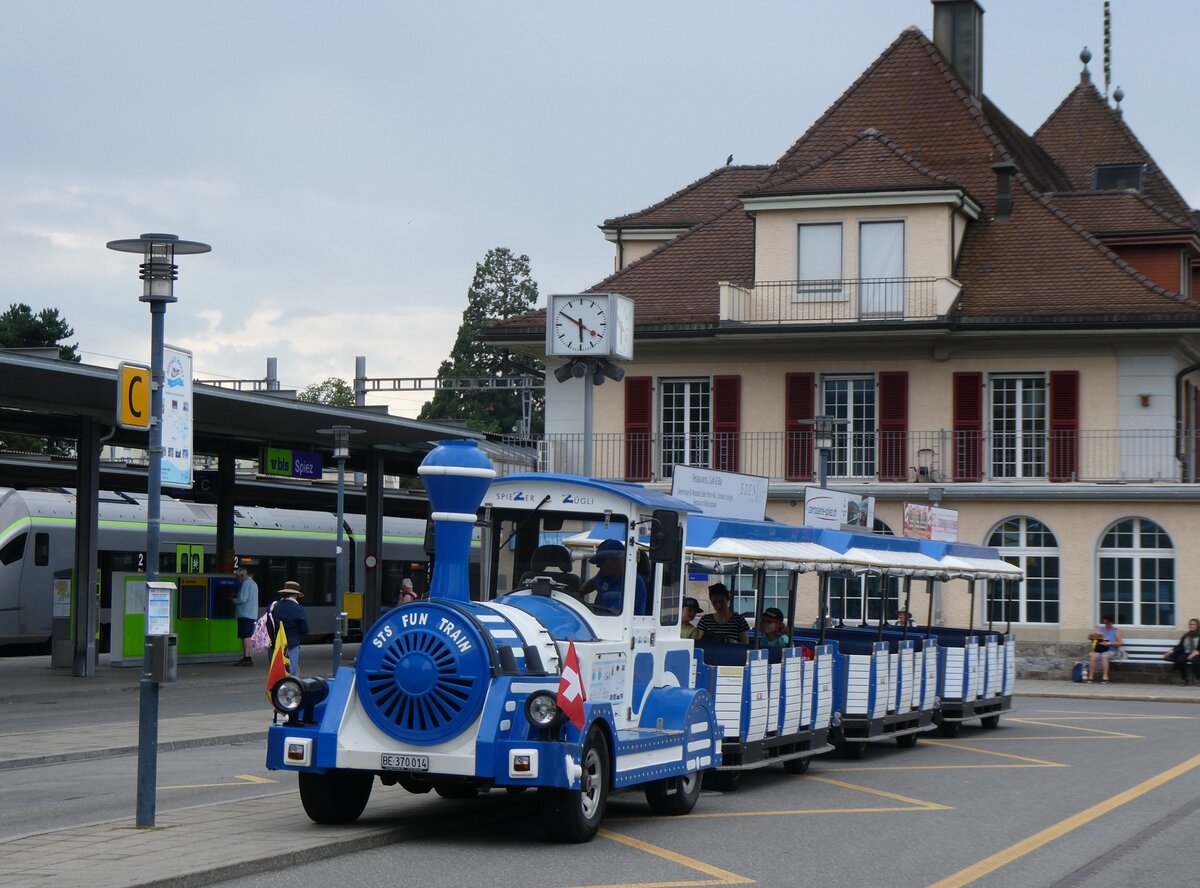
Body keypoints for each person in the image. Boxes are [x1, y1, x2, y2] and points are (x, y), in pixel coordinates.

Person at [580, 539, 647, 615]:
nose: (598, 566)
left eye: (601, 562)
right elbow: (591, 584)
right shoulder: (603, 576)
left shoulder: (633, 581)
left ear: (614, 561)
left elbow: (616, 613)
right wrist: (578, 593)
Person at [271, 580, 310, 676]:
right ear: (295, 595)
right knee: (291, 672)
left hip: (278, 643)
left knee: (278, 671)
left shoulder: (276, 606)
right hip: (292, 643)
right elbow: (304, 629)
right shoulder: (298, 609)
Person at [231, 566, 259, 666]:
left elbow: (242, 599)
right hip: (252, 614)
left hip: (245, 614)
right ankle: (249, 657)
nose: (237, 579)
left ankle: (246, 658)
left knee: (245, 637)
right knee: (249, 637)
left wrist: (233, 600)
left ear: (242, 575)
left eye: (238, 577)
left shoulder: (246, 583)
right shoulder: (253, 583)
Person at [1086, 613, 1123, 683]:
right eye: (1105, 623)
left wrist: (1110, 643)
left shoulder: (1116, 631)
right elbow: (1091, 638)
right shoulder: (1101, 630)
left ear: (1112, 623)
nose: (1107, 625)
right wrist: (1093, 635)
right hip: (1100, 649)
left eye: (1108, 623)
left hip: (1111, 651)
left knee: (1104, 656)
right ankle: (1090, 677)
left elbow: (1120, 643)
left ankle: (1105, 677)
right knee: (1093, 656)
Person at [1164, 618, 1200, 685]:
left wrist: (1196, 652)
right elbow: (1180, 646)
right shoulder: (1186, 635)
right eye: (1190, 624)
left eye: (1194, 624)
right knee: (1180, 660)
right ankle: (1185, 679)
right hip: (1187, 652)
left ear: (1197, 625)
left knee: (1196, 662)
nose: (1191, 626)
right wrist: (1171, 651)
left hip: (1197, 653)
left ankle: (1198, 679)